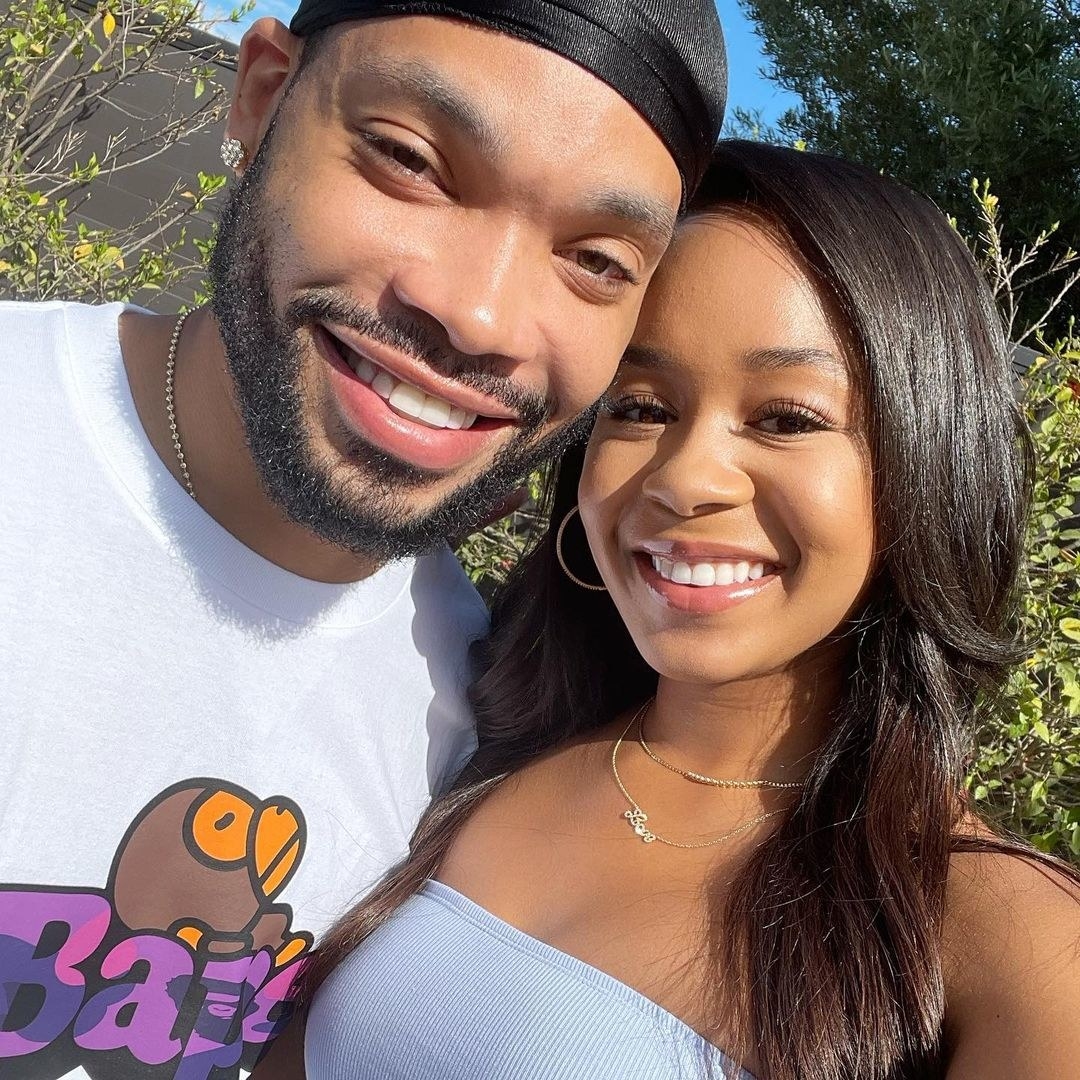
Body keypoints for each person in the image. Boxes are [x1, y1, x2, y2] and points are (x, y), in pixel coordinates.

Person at [0, 3, 727, 1077]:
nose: (479, 316)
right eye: (410, 161)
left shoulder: (482, 736)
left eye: (597, 259)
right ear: (261, 96)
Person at [279, 142, 1080, 1079]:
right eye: (643, 406)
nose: (687, 479)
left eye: (787, 418)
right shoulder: (467, 727)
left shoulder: (1001, 940)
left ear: (927, 463)